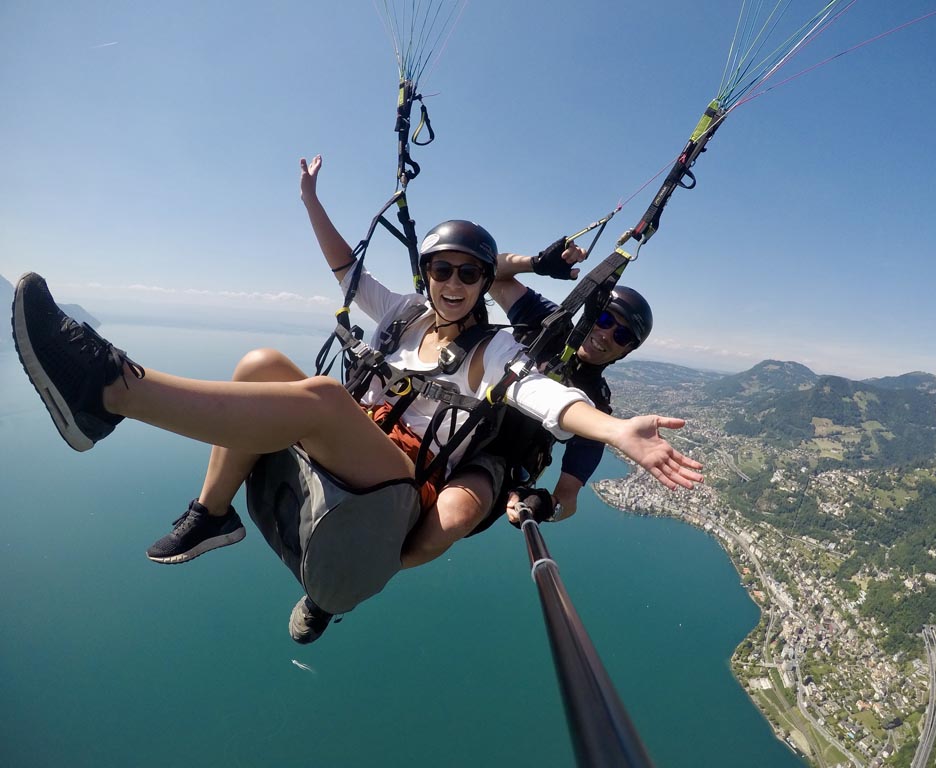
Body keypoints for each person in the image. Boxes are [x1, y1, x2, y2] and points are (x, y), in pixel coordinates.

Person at [11, 155, 703, 645]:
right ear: (427, 274)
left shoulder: (504, 351)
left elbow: (548, 400)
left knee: (424, 484)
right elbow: (354, 271)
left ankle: (109, 388)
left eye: (468, 274)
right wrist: (311, 201)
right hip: (376, 433)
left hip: (434, 465)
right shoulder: (413, 312)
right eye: (443, 270)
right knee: (261, 364)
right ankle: (211, 515)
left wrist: (610, 435)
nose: (454, 282)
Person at [491, 240, 657, 526]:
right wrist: (536, 263)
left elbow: (568, 498)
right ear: (591, 311)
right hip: (452, 421)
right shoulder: (548, 322)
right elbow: (489, 272)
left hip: (497, 472)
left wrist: (544, 505)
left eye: (621, 336)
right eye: (605, 318)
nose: (606, 334)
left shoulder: (595, 406)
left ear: (625, 352)